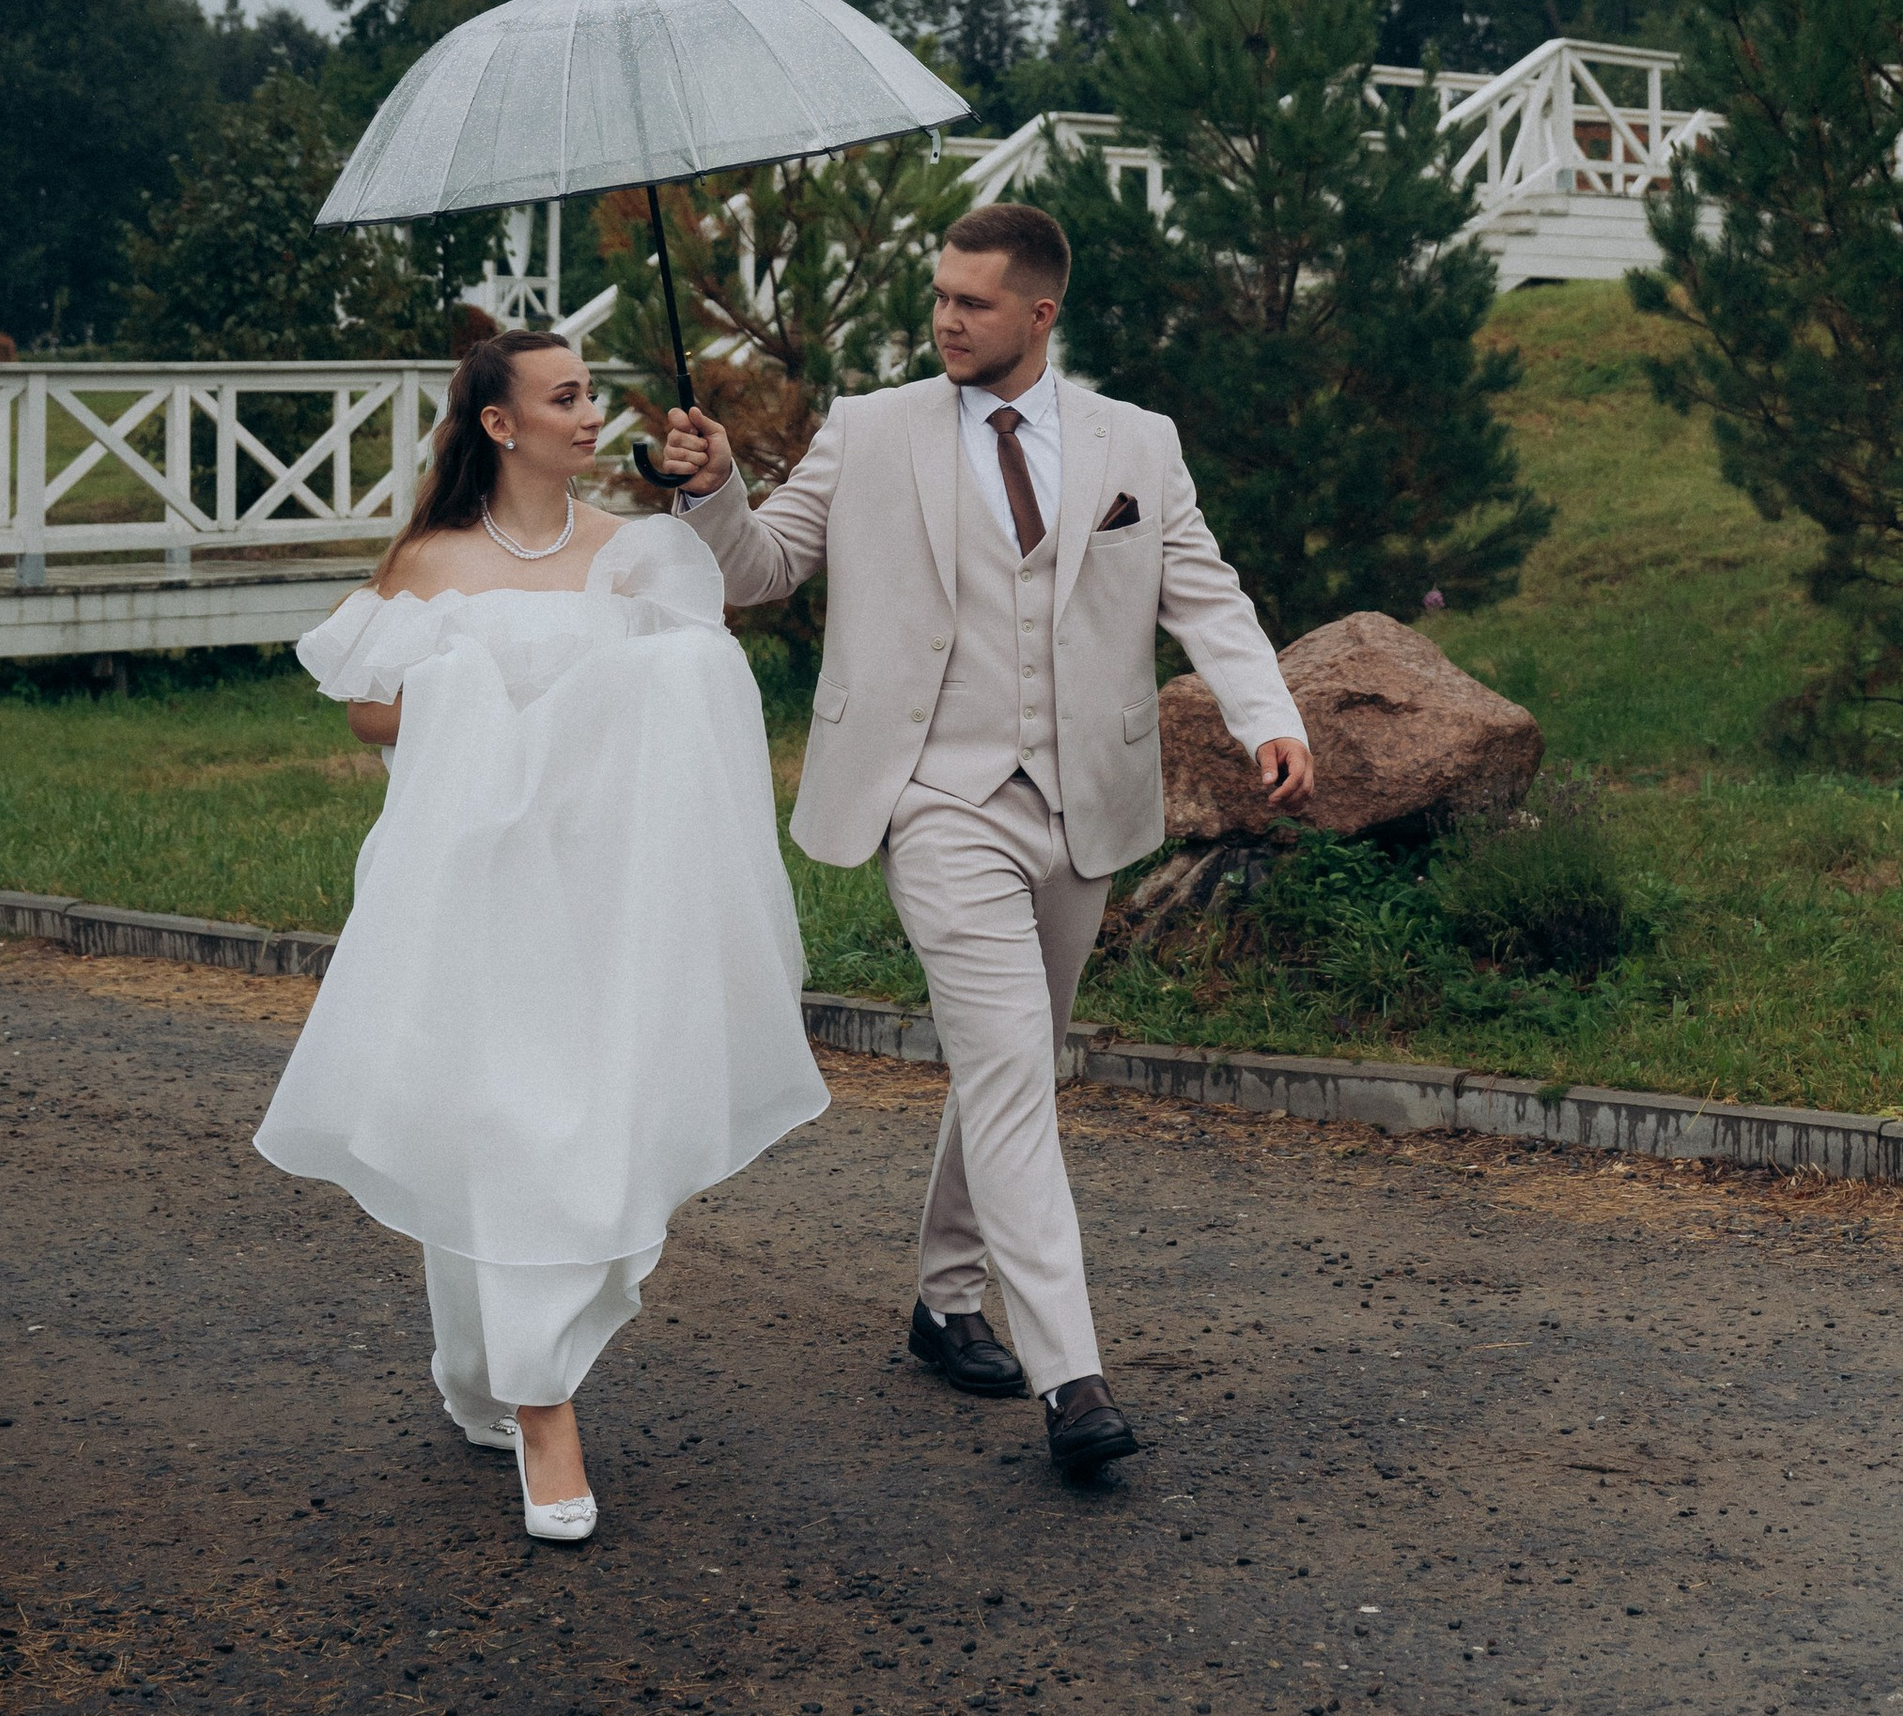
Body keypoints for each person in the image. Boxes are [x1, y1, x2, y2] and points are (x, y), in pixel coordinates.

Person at [659, 199, 1312, 1477]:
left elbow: (1206, 593)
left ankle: (945, 1296)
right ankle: (1073, 1379)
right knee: (1013, 1062)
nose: (945, 318)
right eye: (940, 295)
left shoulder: (1137, 441)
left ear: (1039, 311)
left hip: (1082, 800)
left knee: (1015, 1051)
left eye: (971, 301)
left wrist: (1267, 715)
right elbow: (757, 571)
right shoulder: (871, 429)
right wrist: (711, 486)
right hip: (930, 794)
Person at [255, 327, 827, 1544]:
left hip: (611, 891)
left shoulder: (644, 554)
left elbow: (709, 694)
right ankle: (541, 1403)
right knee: (498, 1121)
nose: (588, 413)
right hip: (478, 882)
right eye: (563, 397)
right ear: (502, 425)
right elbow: (370, 710)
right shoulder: (433, 557)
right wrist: (464, 691)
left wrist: (652, 657)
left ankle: (492, 1373)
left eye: (591, 394)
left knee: (573, 1129)